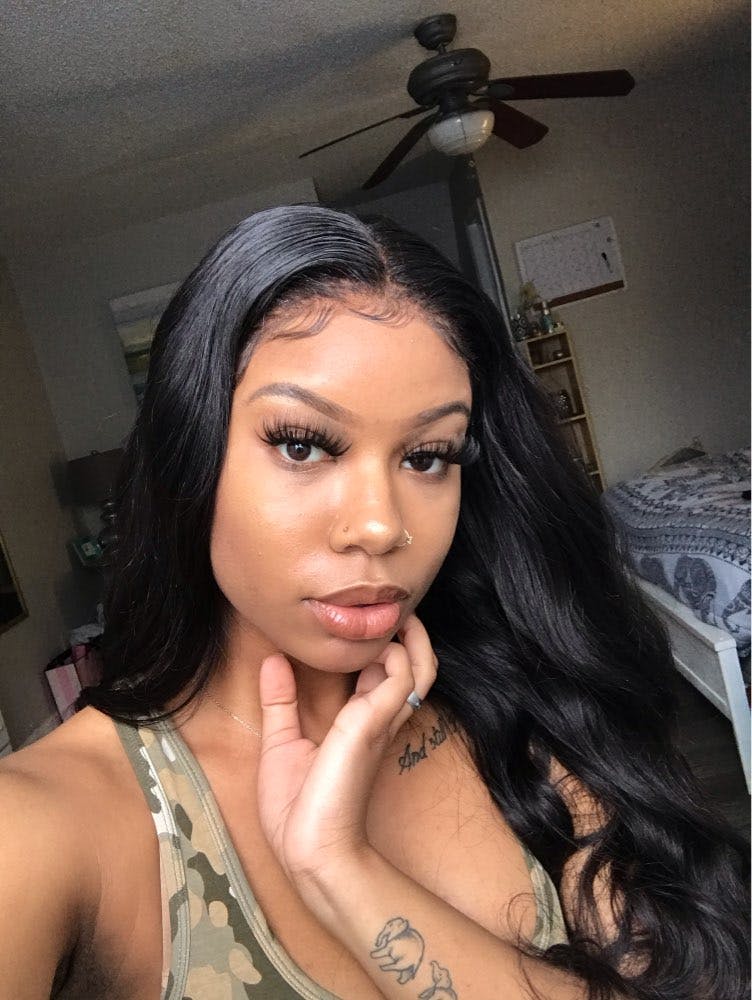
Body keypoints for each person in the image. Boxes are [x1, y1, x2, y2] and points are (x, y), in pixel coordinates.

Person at [0, 204, 747, 1000]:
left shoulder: (519, 694)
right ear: (190, 456)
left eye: (427, 457)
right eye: (302, 445)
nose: (382, 525)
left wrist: (338, 868)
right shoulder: (39, 833)